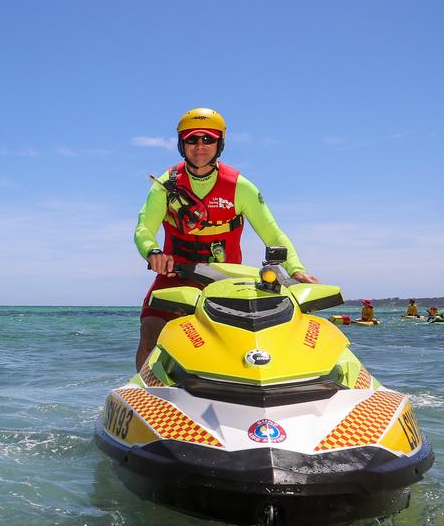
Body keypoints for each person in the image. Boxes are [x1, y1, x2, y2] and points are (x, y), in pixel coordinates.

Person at [133, 108, 319, 368]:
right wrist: (153, 253)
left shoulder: (240, 187)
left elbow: (273, 233)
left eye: (208, 139)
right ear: (181, 143)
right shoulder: (165, 186)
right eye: (192, 139)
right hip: (174, 276)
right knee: (150, 331)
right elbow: (144, 228)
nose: (200, 146)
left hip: (227, 281)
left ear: (219, 143)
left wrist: (296, 270)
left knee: (244, 344)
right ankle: (146, 391)